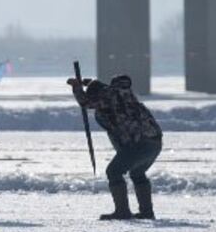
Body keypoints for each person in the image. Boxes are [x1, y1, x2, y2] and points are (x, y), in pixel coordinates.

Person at [68, 73, 163, 220]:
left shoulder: (109, 95)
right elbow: (102, 90)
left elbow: (86, 102)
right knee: (137, 173)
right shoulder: (129, 96)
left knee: (114, 172)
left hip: (137, 144)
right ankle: (147, 212)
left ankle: (122, 211)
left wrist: (76, 88)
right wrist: (87, 83)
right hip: (154, 143)